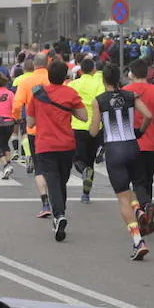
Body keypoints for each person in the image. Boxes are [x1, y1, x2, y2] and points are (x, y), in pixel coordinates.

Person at [90, 64, 154, 260]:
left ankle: (138, 241)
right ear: (119, 78)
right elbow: (149, 115)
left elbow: (93, 131)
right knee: (134, 186)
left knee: (122, 196)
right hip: (132, 146)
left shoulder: (99, 101)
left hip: (114, 149)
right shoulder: (130, 95)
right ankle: (139, 209)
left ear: (103, 81)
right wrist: (140, 131)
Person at [29, 59, 89, 242]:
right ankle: (59, 215)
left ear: (48, 74)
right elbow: (84, 117)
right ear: (66, 76)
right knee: (61, 181)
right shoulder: (70, 93)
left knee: (53, 181)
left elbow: (30, 122)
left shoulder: (38, 95)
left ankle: (59, 214)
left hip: (46, 144)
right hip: (66, 145)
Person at [124, 59, 154, 235]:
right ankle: (147, 219)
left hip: (132, 142)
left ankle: (144, 208)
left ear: (131, 73)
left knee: (137, 181)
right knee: (147, 179)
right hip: (153, 144)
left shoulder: (126, 91)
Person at [12, 55, 54, 216]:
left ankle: (45, 203)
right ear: (47, 64)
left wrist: (16, 118)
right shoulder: (53, 78)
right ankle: (57, 199)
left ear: (34, 65)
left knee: (40, 167)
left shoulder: (26, 82)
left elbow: (17, 105)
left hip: (34, 130)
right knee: (54, 166)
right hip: (54, 128)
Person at [69, 57, 106, 205]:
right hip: (95, 126)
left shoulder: (73, 84)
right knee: (90, 160)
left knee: (77, 158)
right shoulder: (99, 84)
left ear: (81, 70)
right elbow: (102, 102)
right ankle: (86, 194)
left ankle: (83, 171)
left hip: (77, 125)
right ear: (93, 69)